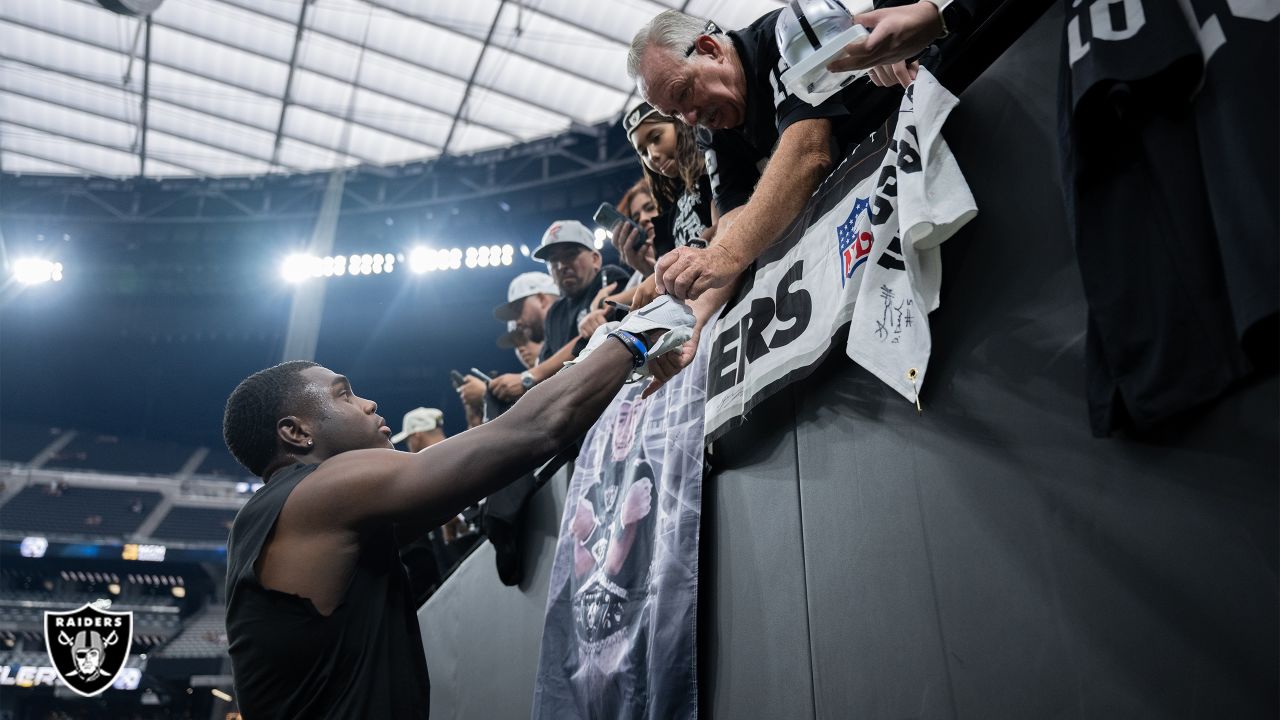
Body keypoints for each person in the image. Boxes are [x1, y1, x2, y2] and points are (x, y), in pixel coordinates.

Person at [221, 297, 693, 718]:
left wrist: (588, 361)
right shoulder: (320, 493)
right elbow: (530, 432)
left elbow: (485, 469)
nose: (368, 403)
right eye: (344, 394)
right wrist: (636, 333)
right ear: (297, 433)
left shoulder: (294, 518)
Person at [627, 3, 978, 302]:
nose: (688, 118)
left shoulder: (783, 37)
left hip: (960, 122)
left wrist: (723, 255)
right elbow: (732, 216)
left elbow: (808, 152)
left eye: (684, 92)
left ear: (711, 49)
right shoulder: (711, 127)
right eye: (673, 114)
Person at [489, 222, 631, 401]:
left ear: (595, 259)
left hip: (615, 402)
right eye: (553, 260)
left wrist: (530, 376)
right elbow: (546, 377)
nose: (561, 265)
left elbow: (603, 341)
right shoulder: (555, 313)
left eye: (571, 255)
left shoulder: (607, 279)